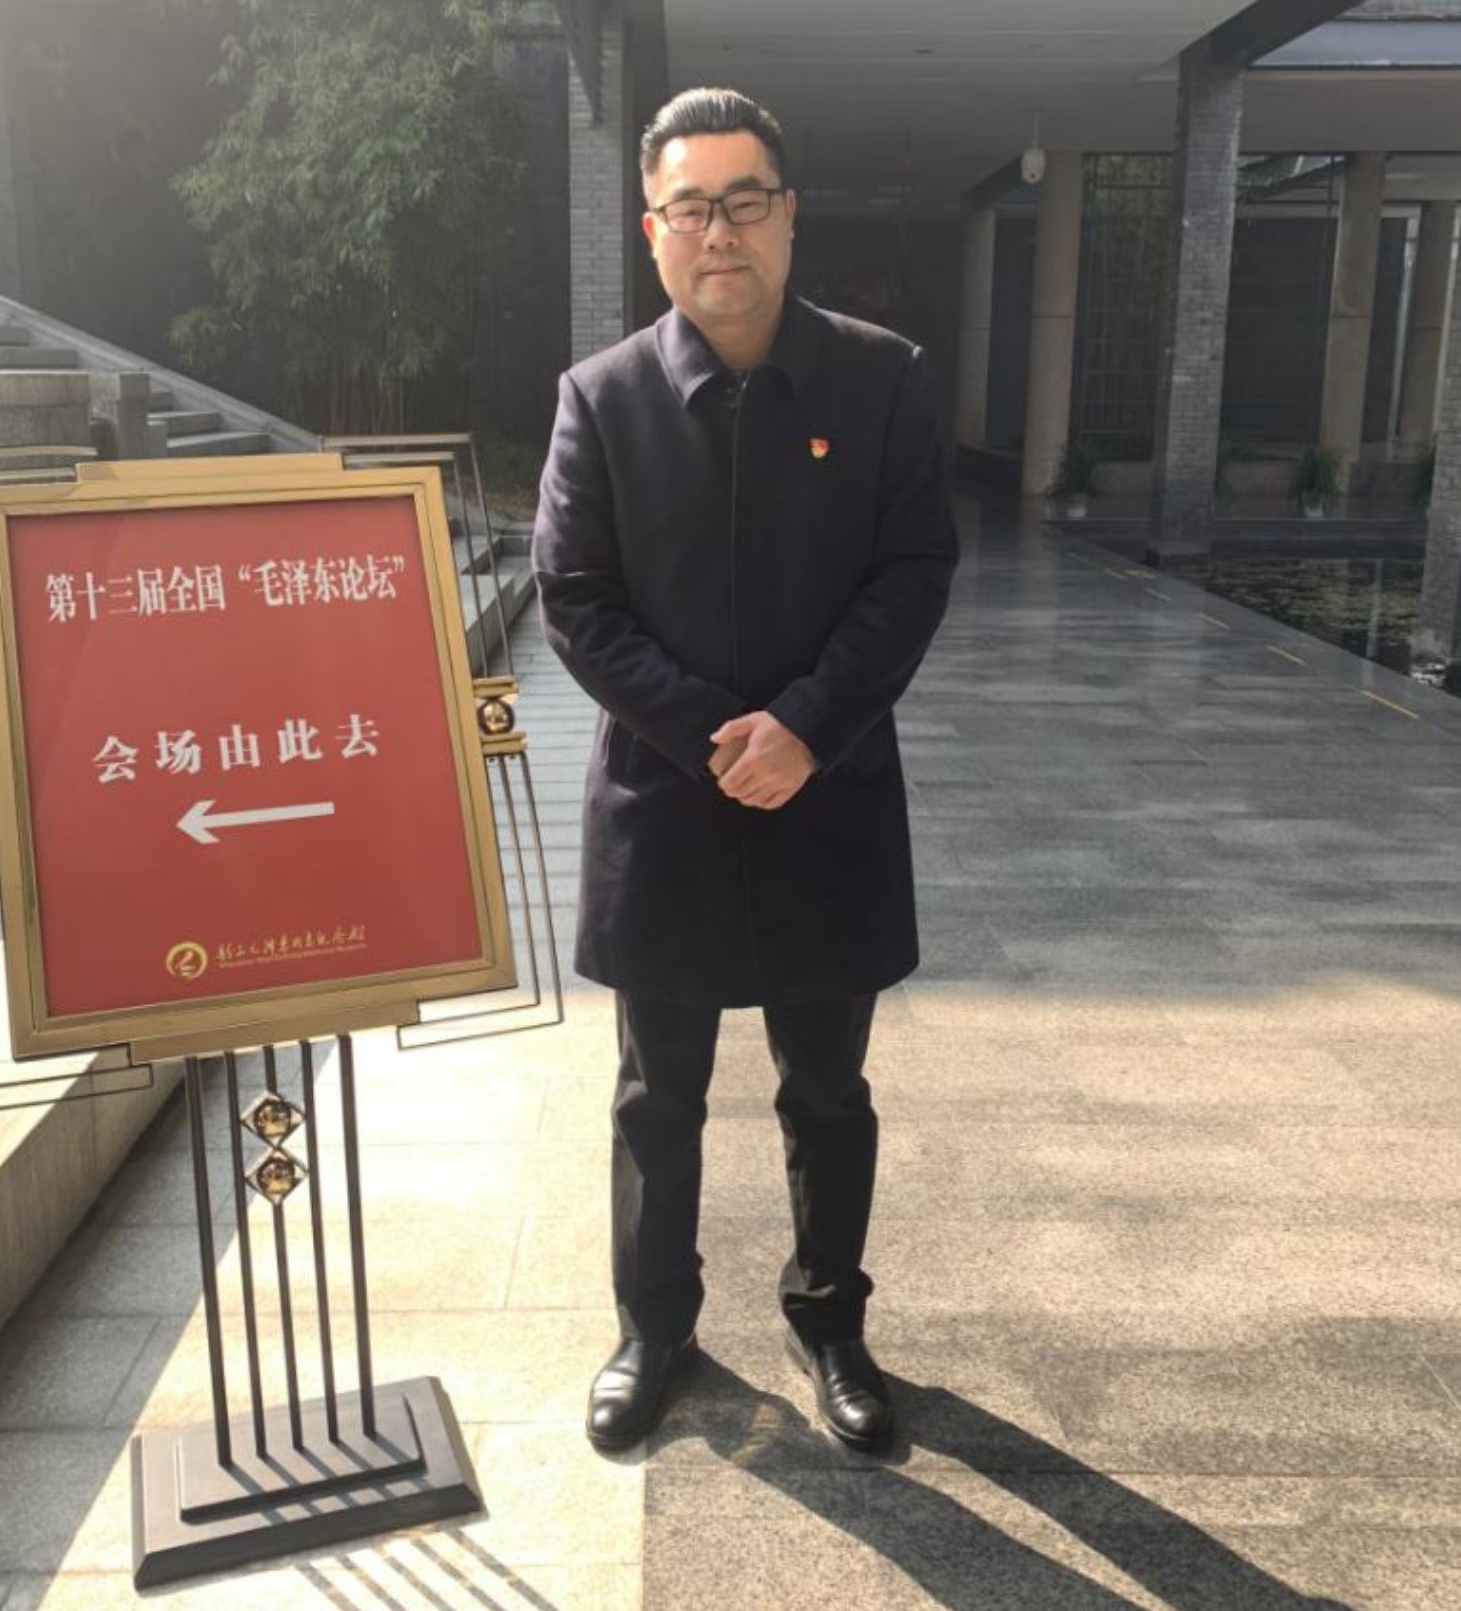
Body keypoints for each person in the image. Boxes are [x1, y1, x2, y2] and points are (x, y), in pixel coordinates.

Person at [533, 86, 958, 1454]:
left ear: (789, 216)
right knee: (656, 1095)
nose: (720, 231)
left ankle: (831, 1321)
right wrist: (714, 735)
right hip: (666, 805)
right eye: (691, 207)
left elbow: (913, 572)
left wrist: (807, 730)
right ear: (653, 229)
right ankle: (653, 1328)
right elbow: (575, 598)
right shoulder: (603, 399)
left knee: (828, 1089)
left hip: (829, 797)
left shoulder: (881, 379)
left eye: (745, 201)